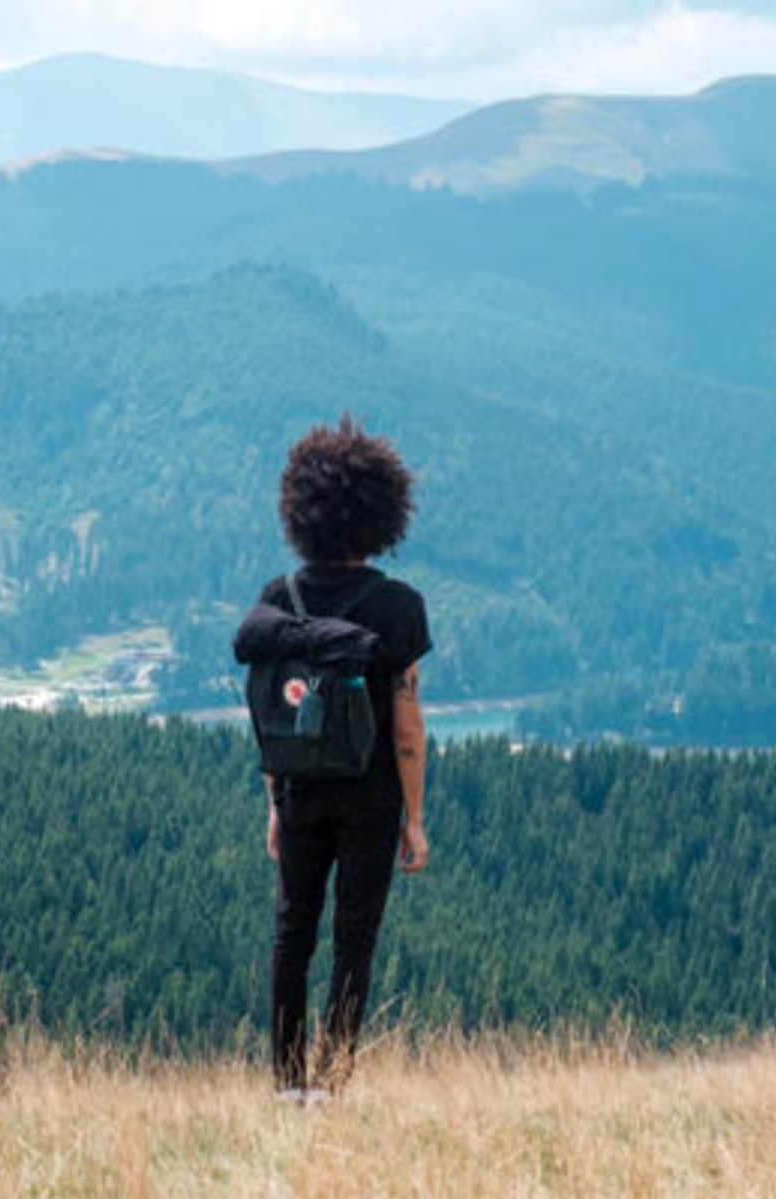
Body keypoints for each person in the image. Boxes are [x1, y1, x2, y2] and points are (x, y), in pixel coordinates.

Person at [255, 416, 431, 1100]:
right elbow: (406, 723)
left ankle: (284, 1085)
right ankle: (331, 1084)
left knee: (291, 931)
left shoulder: (281, 601)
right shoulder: (396, 606)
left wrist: (274, 801)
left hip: (299, 789)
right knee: (353, 938)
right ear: (381, 516)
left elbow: (274, 709)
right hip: (370, 797)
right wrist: (413, 818)